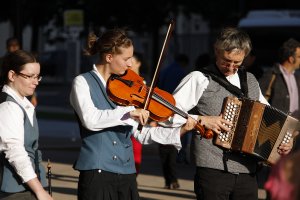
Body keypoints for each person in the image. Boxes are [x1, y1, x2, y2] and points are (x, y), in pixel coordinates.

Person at [162, 27, 294, 200]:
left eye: (237, 63)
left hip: (247, 171)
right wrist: (201, 119)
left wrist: (285, 139)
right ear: (216, 51)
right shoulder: (199, 78)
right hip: (212, 170)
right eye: (226, 61)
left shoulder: (251, 80)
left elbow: (269, 117)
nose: (231, 68)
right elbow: (168, 114)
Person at [69, 28, 198, 200]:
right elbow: (90, 119)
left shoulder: (129, 89)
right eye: (126, 59)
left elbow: (142, 134)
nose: (131, 64)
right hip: (97, 172)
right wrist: (129, 112)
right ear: (109, 57)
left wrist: (179, 131)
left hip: (127, 174)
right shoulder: (82, 82)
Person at [0, 50, 53, 199]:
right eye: (30, 76)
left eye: (37, 77)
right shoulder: (8, 107)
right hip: (14, 191)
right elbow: (15, 152)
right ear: (12, 75)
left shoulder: (22, 103)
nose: (35, 82)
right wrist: (39, 191)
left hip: (26, 186)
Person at [258, 38, 300, 199]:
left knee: (292, 177)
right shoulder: (271, 75)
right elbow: (259, 101)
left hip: (295, 134)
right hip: (276, 132)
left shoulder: (296, 78)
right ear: (291, 58)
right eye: (299, 56)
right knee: (275, 177)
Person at [157, 53, 190, 189]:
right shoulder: (182, 73)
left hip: (159, 110)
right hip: (175, 112)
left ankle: (168, 180)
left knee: (163, 147)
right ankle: (173, 179)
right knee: (173, 148)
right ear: (183, 62)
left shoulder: (164, 71)